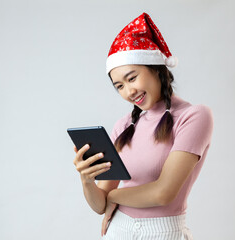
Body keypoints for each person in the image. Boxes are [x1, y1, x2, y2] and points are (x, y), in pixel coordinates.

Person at [73, 12, 213, 240]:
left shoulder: (193, 116)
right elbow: (100, 204)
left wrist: (115, 197)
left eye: (132, 78)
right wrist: (87, 181)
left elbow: (163, 193)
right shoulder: (124, 126)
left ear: (156, 68)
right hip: (118, 230)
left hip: (162, 231)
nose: (129, 92)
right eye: (119, 86)